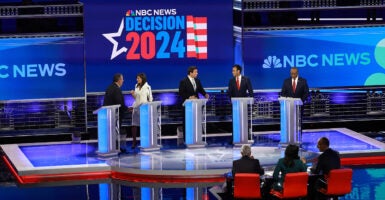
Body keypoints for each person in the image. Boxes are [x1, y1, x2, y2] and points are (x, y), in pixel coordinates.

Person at [178, 66, 209, 140]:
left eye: (197, 72)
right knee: (187, 122)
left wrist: (205, 94)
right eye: (195, 72)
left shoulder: (197, 81)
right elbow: (181, 93)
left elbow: (201, 89)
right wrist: (189, 97)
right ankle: (187, 139)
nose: (197, 73)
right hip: (187, 105)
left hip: (196, 105)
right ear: (190, 73)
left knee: (196, 121)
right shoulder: (183, 81)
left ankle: (197, 137)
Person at [103, 73, 129, 152]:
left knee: (111, 132)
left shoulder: (109, 87)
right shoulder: (116, 89)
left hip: (109, 114)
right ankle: (115, 148)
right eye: (122, 79)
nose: (123, 81)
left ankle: (113, 147)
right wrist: (126, 108)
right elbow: (119, 102)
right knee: (115, 131)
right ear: (119, 80)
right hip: (115, 115)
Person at [130, 73, 153, 149]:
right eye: (137, 78)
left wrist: (149, 107)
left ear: (142, 79)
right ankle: (134, 142)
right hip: (136, 107)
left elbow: (150, 98)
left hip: (144, 108)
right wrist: (133, 94)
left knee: (144, 125)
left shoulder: (148, 87)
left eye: (138, 78)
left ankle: (145, 140)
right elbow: (136, 98)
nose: (137, 79)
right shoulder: (136, 86)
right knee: (134, 125)